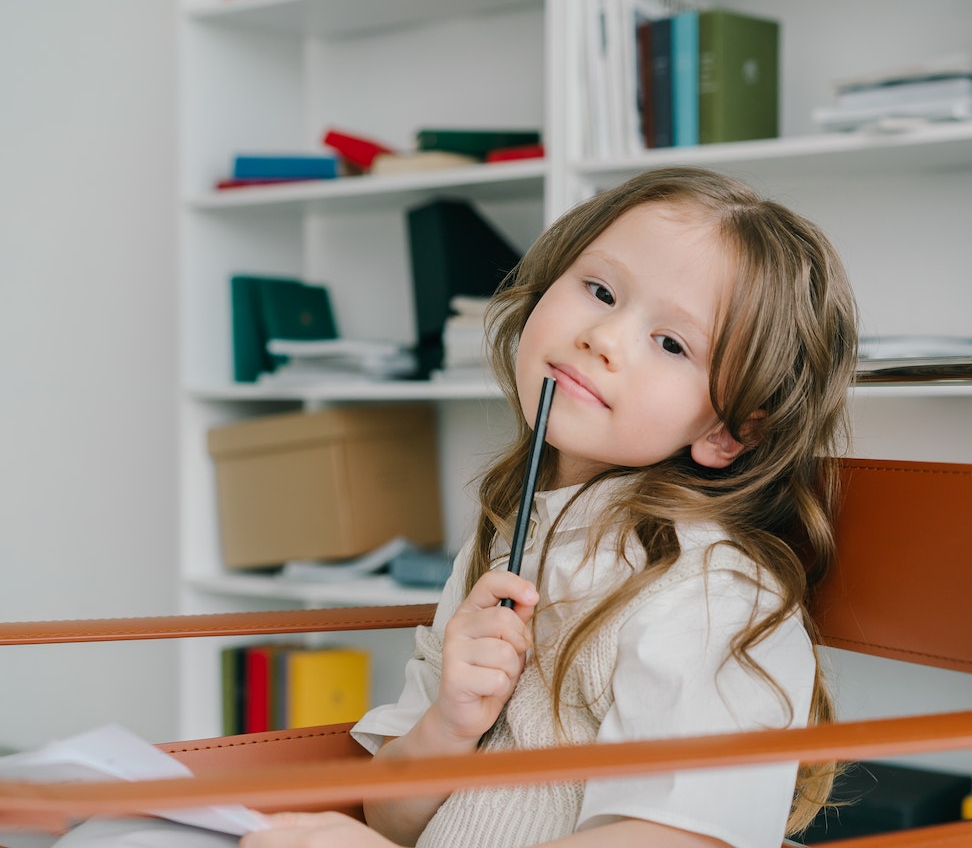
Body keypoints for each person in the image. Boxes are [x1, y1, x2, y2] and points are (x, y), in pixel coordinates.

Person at [59, 166, 859, 848]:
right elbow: (397, 815)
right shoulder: (512, 538)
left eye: (673, 343)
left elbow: (672, 837)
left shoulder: (710, 589)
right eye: (600, 289)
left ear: (727, 432)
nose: (604, 337)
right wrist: (449, 721)